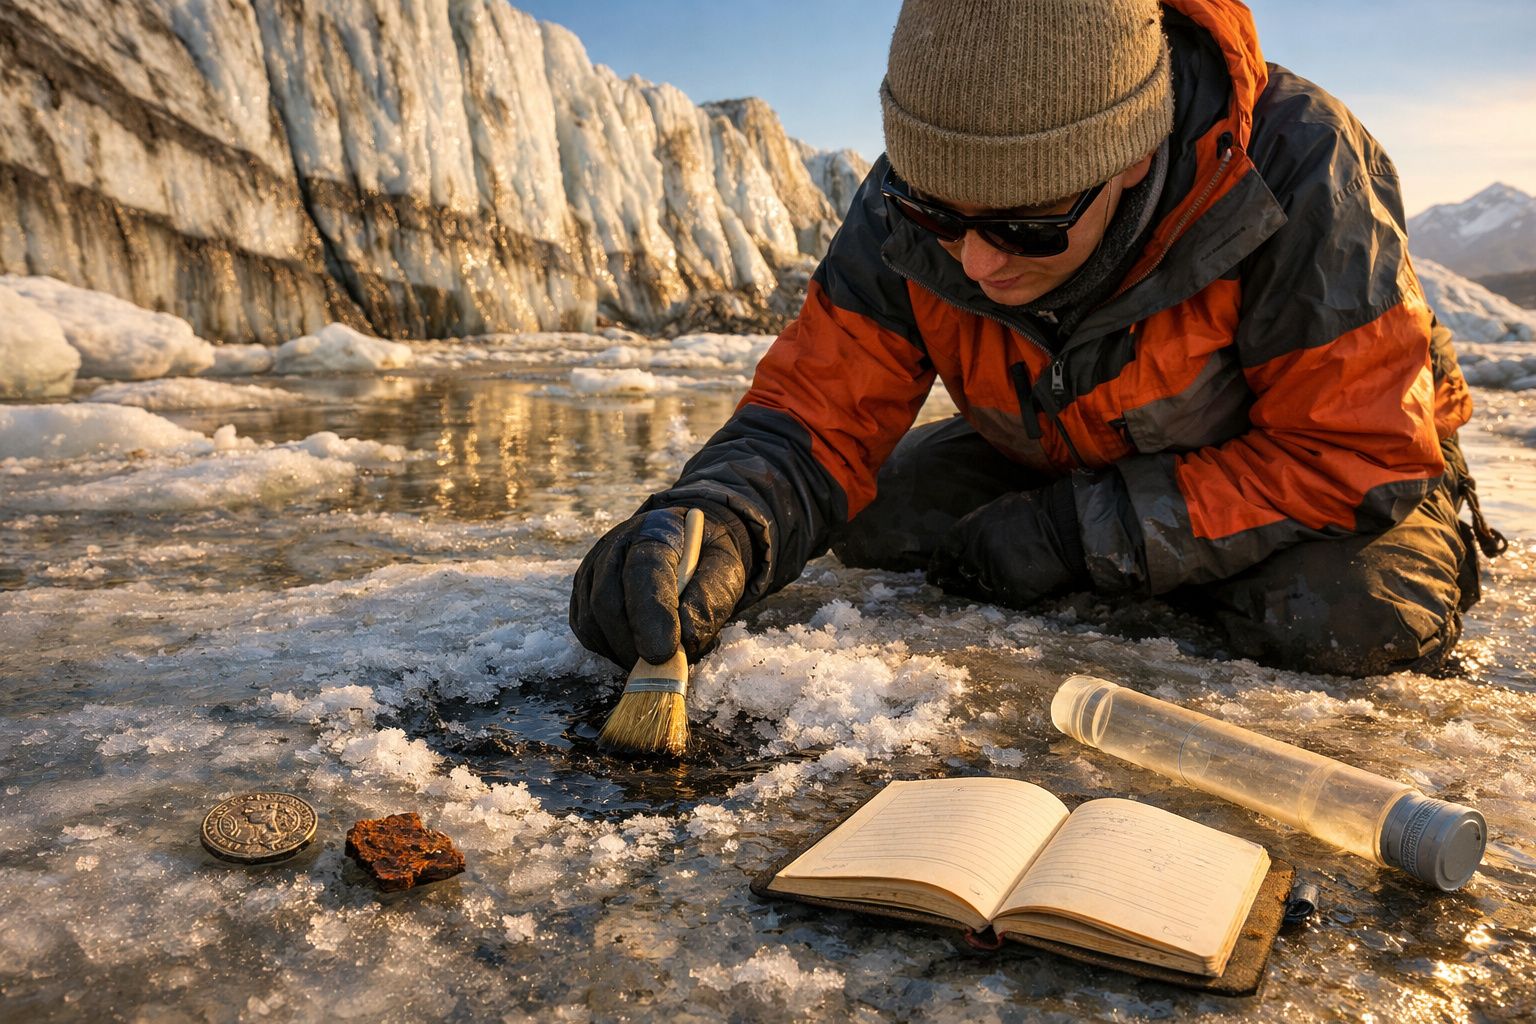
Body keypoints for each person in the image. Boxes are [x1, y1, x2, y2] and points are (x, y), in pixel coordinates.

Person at [570, 0, 1504, 680]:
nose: (975, 263)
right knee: (874, 522)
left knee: (1347, 614)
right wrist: (720, 516)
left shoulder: (1300, 169)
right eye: (942, 217)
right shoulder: (909, 200)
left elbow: (1354, 453)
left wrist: (1084, 535)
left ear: (1130, 156)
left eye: (1026, 226)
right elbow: (818, 411)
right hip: (1068, 439)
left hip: (1334, 461)